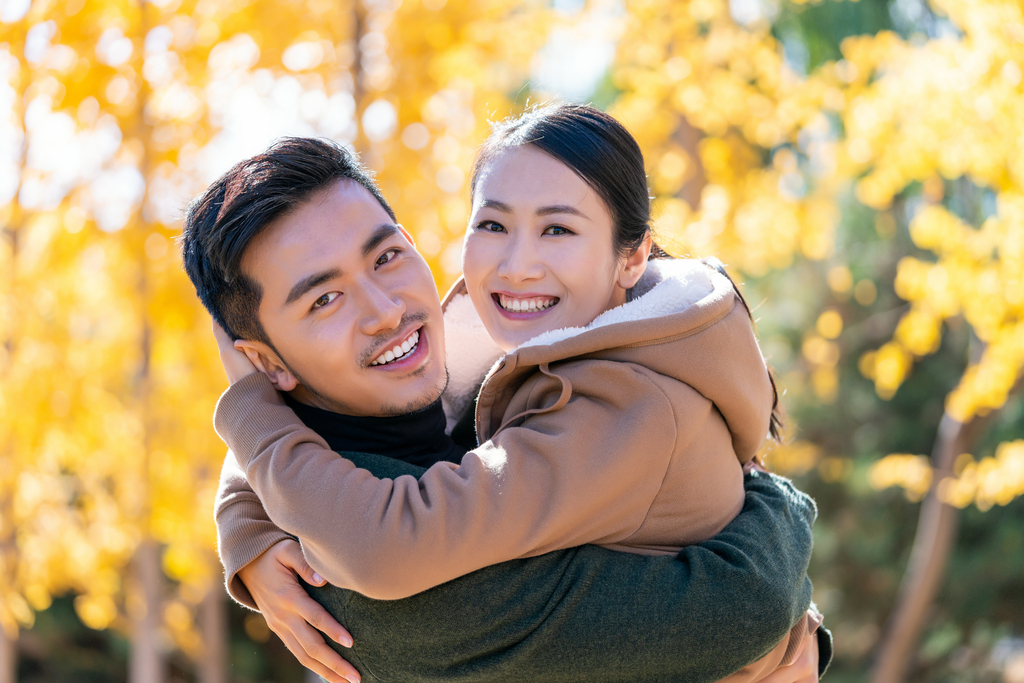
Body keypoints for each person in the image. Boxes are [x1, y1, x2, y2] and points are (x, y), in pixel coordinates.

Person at [183, 133, 829, 683]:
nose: (386, 309)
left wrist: (244, 513)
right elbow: (744, 607)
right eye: (323, 300)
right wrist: (780, 506)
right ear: (266, 364)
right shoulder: (349, 568)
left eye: (386, 257)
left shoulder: (491, 373)